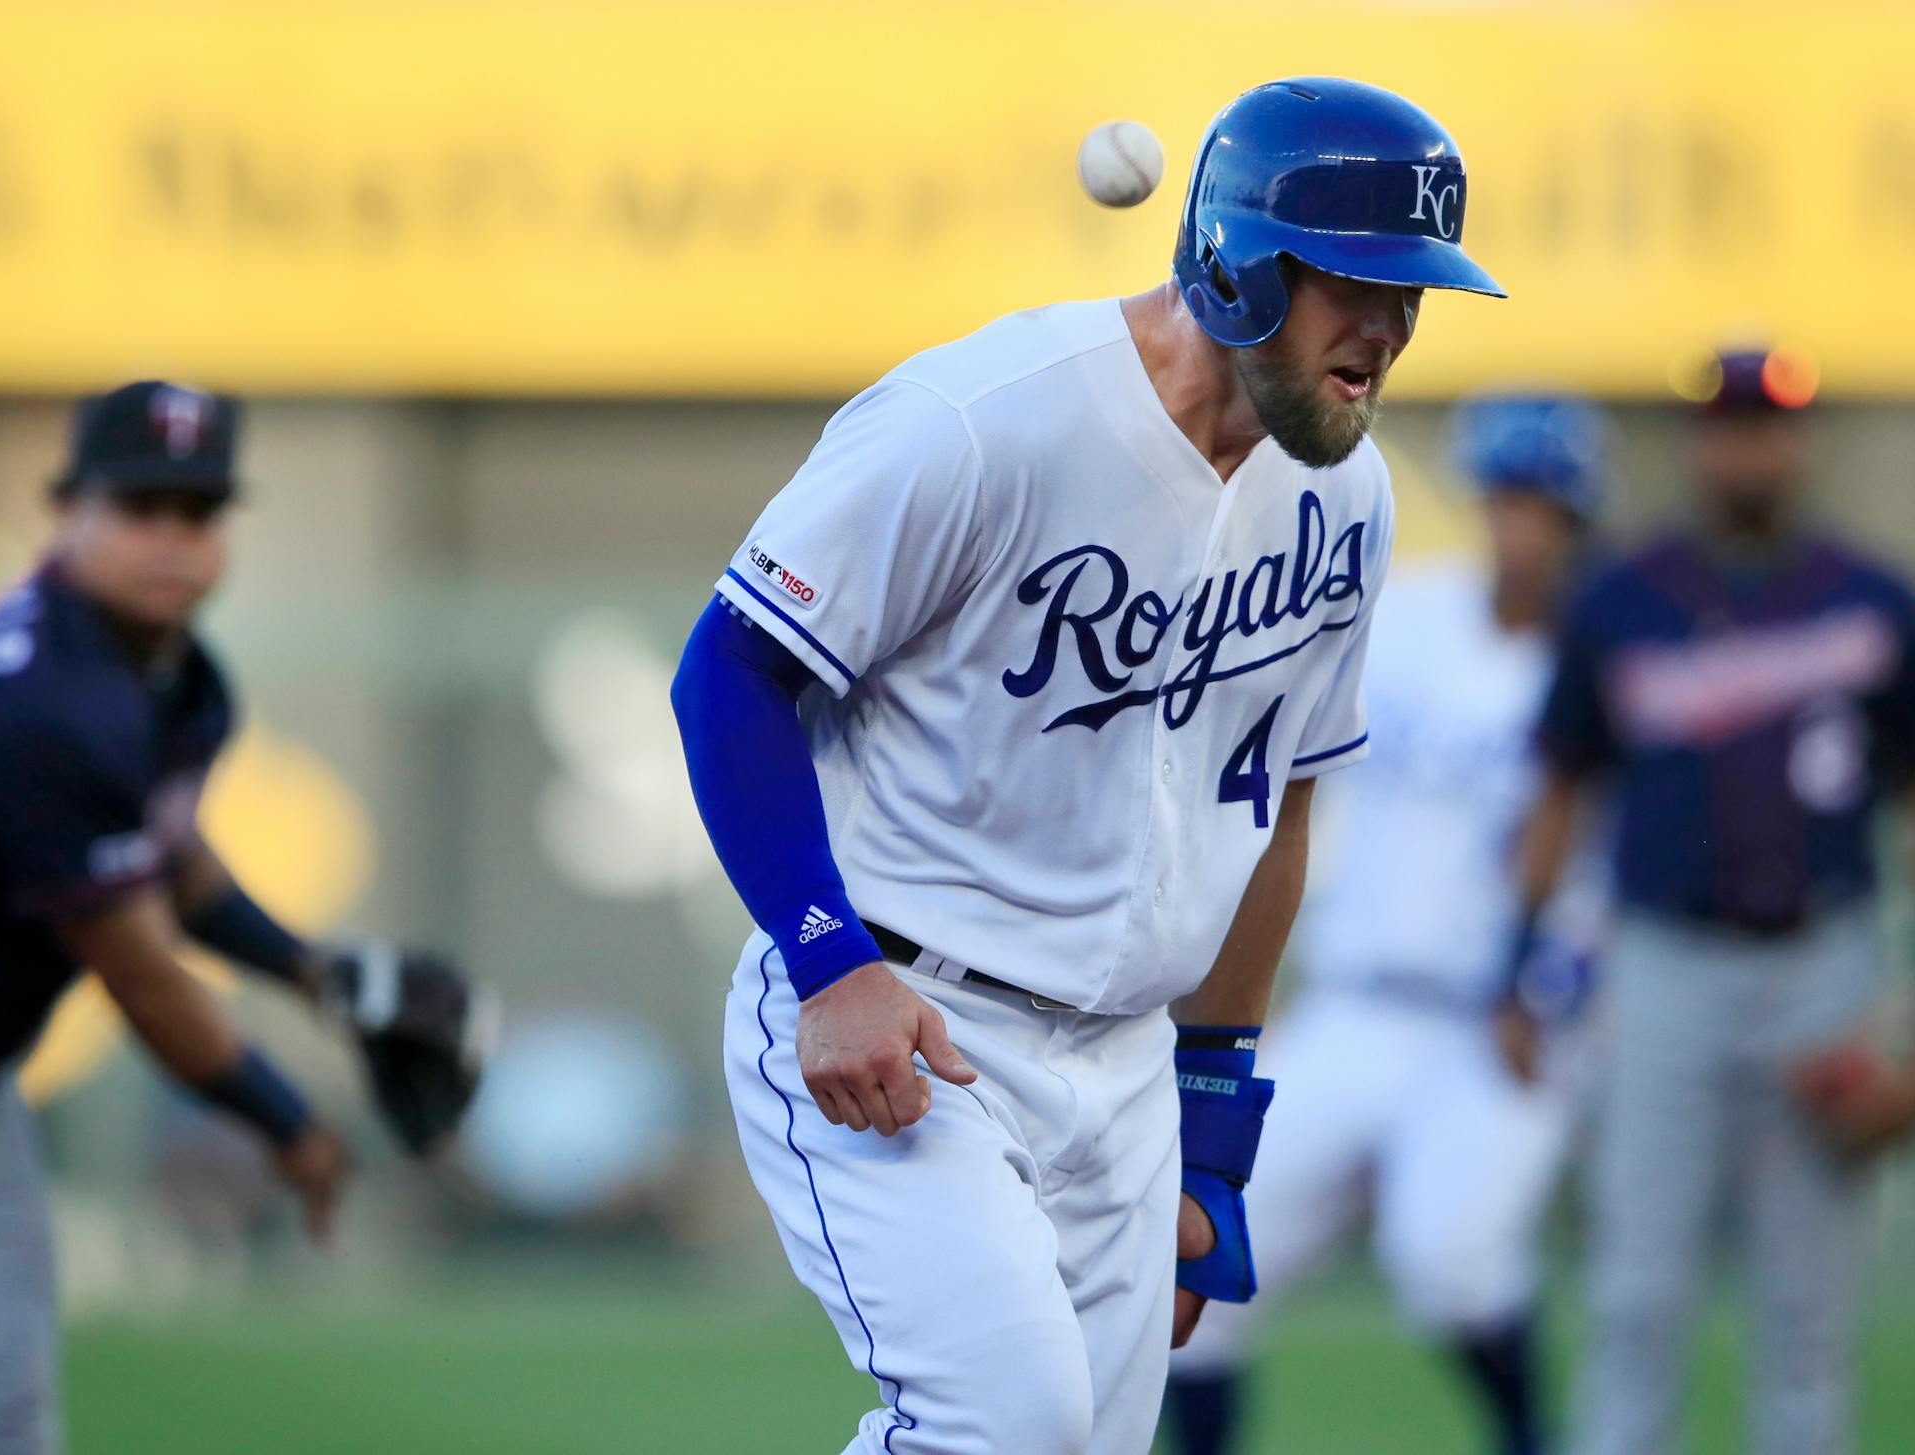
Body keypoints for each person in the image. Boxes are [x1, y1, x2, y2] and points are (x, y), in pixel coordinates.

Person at [671, 78, 1505, 1455]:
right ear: (1239, 264)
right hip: (909, 1013)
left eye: (1412, 289)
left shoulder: (1346, 499)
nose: (1390, 327)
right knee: (1008, 1425)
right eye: (1353, 281)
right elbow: (728, 674)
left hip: (1126, 1064)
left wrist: (1213, 1126)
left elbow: (1278, 807)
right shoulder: (982, 419)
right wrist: (829, 964)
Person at [0, 381, 489, 1455]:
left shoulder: (168, 678)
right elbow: (139, 973)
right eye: (141, 507)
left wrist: (312, 973)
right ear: (68, 511)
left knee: (0, 1432)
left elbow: (167, 858)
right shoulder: (47, 703)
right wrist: (288, 1122)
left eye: (198, 512)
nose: (172, 540)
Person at [1163, 394, 1611, 1455]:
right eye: (1504, 498)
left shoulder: (1601, 658)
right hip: (1357, 1000)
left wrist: (1560, 989)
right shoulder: (1408, 617)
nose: (1519, 526)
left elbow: (1623, 862)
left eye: (1543, 506)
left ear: (1578, 520)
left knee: (1450, 1259)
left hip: (1494, 1020)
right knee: (1192, 1253)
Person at [1512, 348, 1915, 1455]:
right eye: (1729, 426)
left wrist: (1902, 1028)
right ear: (1696, 444)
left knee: (1809, 1317)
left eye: (1769, 425)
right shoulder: (1622, 599)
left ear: (1802, 441)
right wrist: (1517, 966)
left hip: (1824, 968)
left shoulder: (1874, 598)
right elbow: (1560, 790)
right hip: (1666, 971)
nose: (1749, 449)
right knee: (1637, 1297)